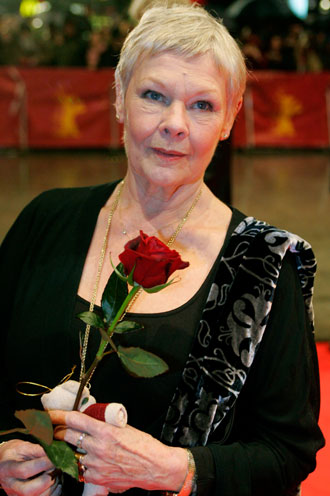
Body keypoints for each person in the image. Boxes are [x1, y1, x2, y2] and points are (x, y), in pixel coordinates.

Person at [0, 4, 324, 496]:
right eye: (153, 95)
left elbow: (286, 454)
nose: (175, 124)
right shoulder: (45, 222)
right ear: (118, 98)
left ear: (231, 118)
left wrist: (177, 470)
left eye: (202, 105)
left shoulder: (266, 264)